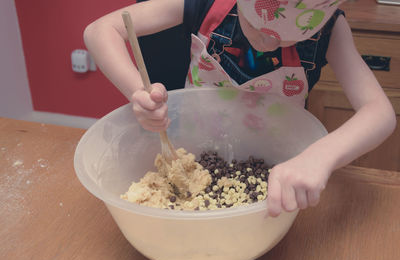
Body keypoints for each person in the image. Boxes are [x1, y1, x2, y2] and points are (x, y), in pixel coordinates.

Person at [83, 0, 396, 217]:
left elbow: (379, 112)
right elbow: (100, 31)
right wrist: (138, 91)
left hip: (275, 180)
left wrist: (319, 158)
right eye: (258, 28)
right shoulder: (204, 4)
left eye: (288, 38)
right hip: (192, 150)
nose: (268, 45)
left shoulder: (330, 30)